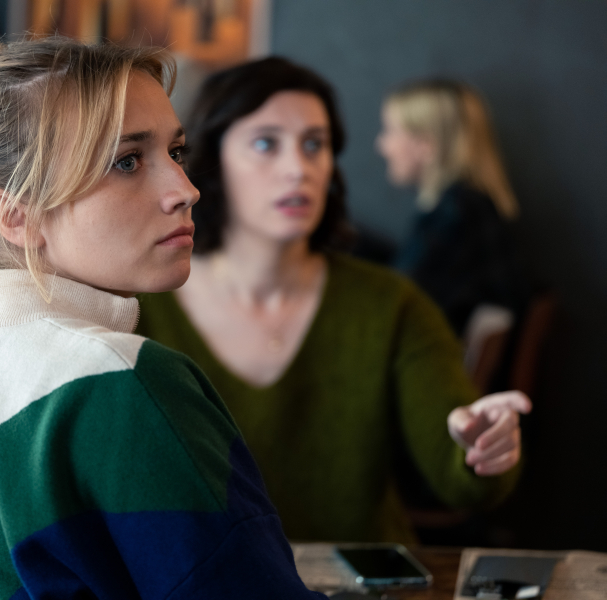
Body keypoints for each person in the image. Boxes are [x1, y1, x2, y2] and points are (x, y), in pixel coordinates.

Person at [0, 38, 324, 599]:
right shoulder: (119, 377)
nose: (186, 190)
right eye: (127, 161)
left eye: (176, 151)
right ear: (17, 216)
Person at [135, 57, 531, 543]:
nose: (298, 169)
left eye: (314, 145)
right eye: (266, 143)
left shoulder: (390, 304)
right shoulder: (140, 309)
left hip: (365, 578)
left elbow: (459, 474)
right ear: (213, 159)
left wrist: (482, 445)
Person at [377, 79, 524, 337]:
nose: (381, 145)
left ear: (425, 146)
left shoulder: (454, 216)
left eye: (390, 131)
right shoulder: (468, 206)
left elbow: (396, 300)